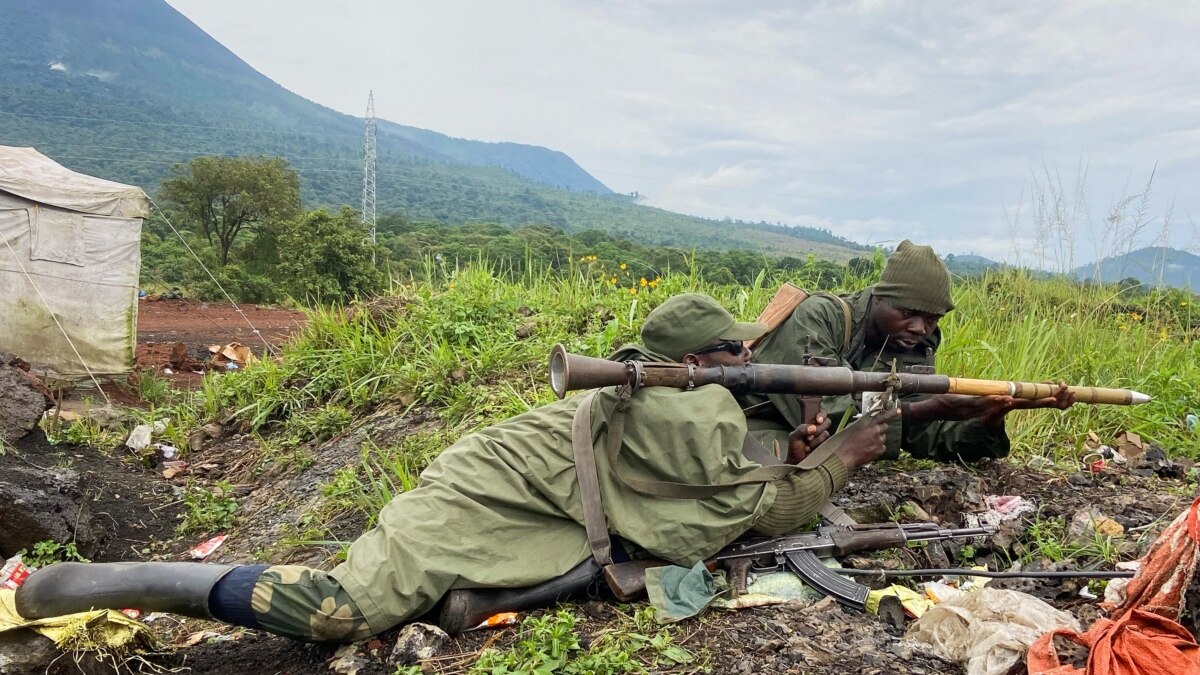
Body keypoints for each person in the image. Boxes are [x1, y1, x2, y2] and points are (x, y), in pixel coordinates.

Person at [16, 293, 895, 643]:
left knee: (471, 594)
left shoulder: (681, 400)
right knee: (341, 609)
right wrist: (840, 462)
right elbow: (755, 511)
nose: (744, 365)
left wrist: (799, 447)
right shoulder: (682, 406)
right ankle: (135, 579)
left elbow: (724, 473)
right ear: (697, 360)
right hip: (486, 488)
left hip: (541, 501)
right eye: (730, 355)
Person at [743, 240, 1075, 464]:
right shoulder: (823, 316)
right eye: (908, 313)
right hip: (748, 425)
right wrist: (929, 408)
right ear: (879, 297)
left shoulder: (915, 344)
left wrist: (991, 416)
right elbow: (825, 418)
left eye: (931, 319)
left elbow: (924, 437)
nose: (920, 328)